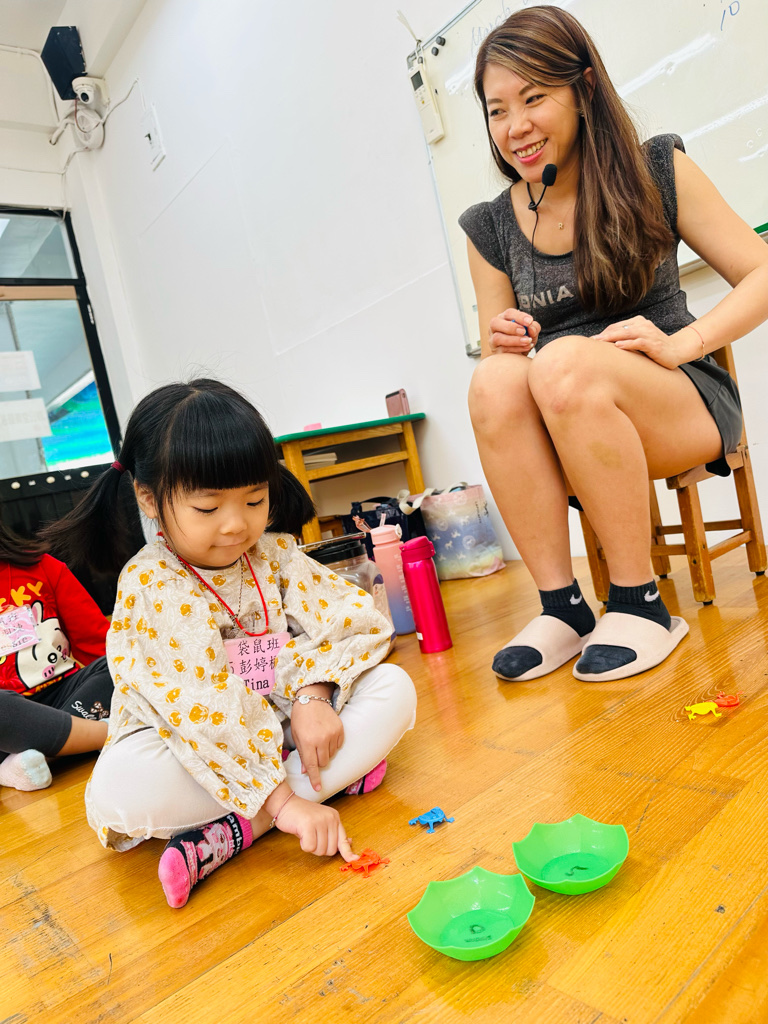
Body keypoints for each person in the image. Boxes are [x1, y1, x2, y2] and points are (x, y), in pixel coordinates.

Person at [460, 6, 768, 684]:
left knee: (564, 364)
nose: (515, 127)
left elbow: (762, 273)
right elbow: (501, 360)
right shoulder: (490, 227)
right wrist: (503, 342)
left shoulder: (657, 168)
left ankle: (639, 603)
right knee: (494, 381)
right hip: (568, 415)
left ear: (585, 88)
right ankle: (563, 608)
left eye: (533, 98)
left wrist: (685, 343)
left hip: (678, 400)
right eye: (497, 110)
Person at [44, 379, 417, 908]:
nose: (237, 524)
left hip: (284, 723)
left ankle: (232, 830)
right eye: (207, 508)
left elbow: (356, 620)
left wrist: (313, 695)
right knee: (118, 792)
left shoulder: (275, 554)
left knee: (395, 688)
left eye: (254, 498)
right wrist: (284, 804)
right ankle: (301, 793)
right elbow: (201, 707)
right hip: (193, 744)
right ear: (148, 498)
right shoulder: (151, 583)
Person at [0, 520, 112, 791]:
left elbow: (100, 643)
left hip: (68, 695)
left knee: (120, 663)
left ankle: (28, 760)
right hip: (6, 720)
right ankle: (109, 733)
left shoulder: (41, 565)